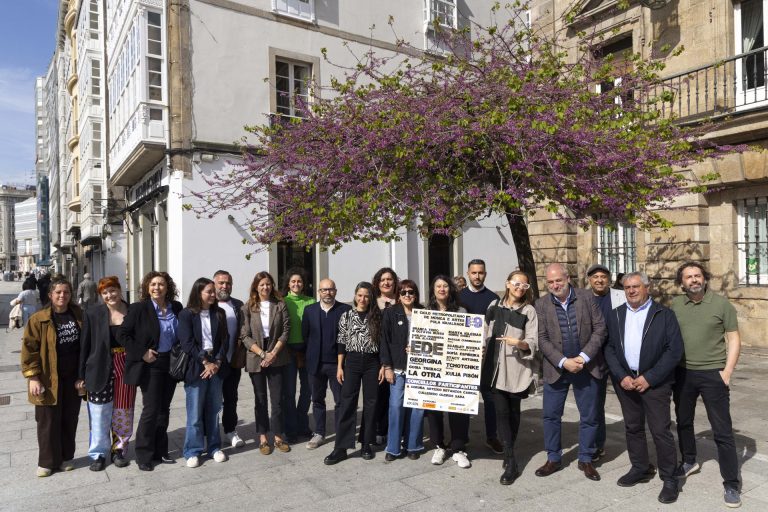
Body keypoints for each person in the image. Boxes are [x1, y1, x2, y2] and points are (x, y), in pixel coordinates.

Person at [603, 272, 683, 504]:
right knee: (633, 427)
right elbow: (609, 348)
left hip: (654, 384)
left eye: (636, 286)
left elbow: (674, 351)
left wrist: (650, 377)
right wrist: (621, 376)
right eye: (627, 287)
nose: (631, 291)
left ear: (647, 287)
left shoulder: (664, 314)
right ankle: (640, 468)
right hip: (626, 382)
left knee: (660, 430)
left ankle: (669, 478)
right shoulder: (616, 314)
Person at [670, 262, 742, 508]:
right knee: (684, 422)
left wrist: (727, 371)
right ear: (682, 282)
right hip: (683, 374)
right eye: (688, 277)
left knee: (722, 431)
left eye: (697, 275)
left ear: (705, 278)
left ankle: (731, 483)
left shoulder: (721, 305)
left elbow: (733, 338)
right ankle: (689, 460)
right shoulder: (676, 305)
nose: (693, 280)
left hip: (714, 374)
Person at [534, 263, 606, 481]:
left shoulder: (586, 297)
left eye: (559, 280)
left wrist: (583, 358)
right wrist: (564, 361)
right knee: (551, 415)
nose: (555, 284)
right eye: (551, 281)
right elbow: (542, 338)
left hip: (587, 366)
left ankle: (586, 458)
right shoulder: (541, 304)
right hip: (557, 369)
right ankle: (553, 458)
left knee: (590, 416)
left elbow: (600, 329)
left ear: (568, 278)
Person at [21, 275, 83, 477]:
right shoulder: (39, 319)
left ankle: (66, 458)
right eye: (58, 292)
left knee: (69, 418)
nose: (62, 295)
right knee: (47, 421)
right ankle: (47, 461)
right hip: (48, 378)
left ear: (71, 294)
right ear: (50, 295)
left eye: (66, 292)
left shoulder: (79, 315)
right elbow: (29, 349)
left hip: (72, 378)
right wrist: (33, 377)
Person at [121, 271, 183, 471]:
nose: (157, 288)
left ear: (168, 287)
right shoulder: (139, 309)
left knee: (164, 408)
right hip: (151, 364)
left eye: (161, 284)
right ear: (147, 287)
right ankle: (144, 454)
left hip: (170, 363)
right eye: (153, 284)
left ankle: (160, 451)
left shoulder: (176, 307)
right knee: (151, 409)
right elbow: (123, 335)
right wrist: (142, 353)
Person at [484, 270, 539, 485]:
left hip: (517, 370)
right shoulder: (493, 307)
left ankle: (509, 449)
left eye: (524, 286)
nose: (520, 288)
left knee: (514, 413)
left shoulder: (529, 311)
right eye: (516, 283)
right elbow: (484, 332)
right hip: (495, 369)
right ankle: (511, 460)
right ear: (508, 284)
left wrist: (521, 343)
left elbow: (533, 341)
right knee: (502, 412)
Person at [78, 276, 135, 471]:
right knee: (99, 412)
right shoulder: (93, 313)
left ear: (120, 290)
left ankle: (118, 450)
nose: (110, 295)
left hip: (126, 365)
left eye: (113, 290)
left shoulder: (132, 311)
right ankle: (99, 454)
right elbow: (84, 346)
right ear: (101, 295)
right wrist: (81, 375)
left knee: (123, 411)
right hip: (100, 366)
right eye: (105, 292)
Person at [323, 282, 383, 464]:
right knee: (347, 402)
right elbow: (341, 342)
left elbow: (383, 343)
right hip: (353, 361)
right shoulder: (346, 316)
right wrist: (340, 366)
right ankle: (341, 447)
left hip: (373, 362)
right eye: (360, 295)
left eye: (366, 296)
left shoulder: (377, 317)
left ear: (370, 297)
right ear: (355, 296)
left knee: (371, 402)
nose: (363, 299)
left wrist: (382, 365)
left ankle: (366, 443)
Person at [178, 277, 229, 468]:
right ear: (199, 292)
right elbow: (187, 342)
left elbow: (225, 340)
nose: (213, 294)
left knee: (214, 410)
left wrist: (216, 362)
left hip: (216, 367)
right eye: (209, 291)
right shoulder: (186, 314)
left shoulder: (220, 313)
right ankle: (192, 450)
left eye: (213, 291)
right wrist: (205, 362)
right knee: (194, 413)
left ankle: (214, 447)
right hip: (196, 368)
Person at [241, 271, 291, 454]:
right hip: (256, 358)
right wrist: (263, 354)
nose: (265, 287)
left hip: (277, 358)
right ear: (256, 286)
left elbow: (286, 330)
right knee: (260, 399)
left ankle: (278, 436)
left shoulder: (280, 305)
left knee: (277, 400)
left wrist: (273, 353)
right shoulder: (248, 307)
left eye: (268, 284)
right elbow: (244, 336)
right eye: (261, 284)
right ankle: (263, 438)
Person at [426, 275, 473, 468]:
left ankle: (458, 448)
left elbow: (469, 338)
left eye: (445, 285)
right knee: (433, 407)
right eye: (438, 286)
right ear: (433, 290)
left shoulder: (461, 311)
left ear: (451, 289)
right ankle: (439, 445)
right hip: (433, 366)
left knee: (458, 407)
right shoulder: (426, 311)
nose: (442, 289)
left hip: (456, 366)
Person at [459, 259, 503, 455]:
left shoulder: (494, 298)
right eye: (474, 273)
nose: (477, 276)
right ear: (468, 273)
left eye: (481, 273)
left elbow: (497, 327)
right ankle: (461, 437)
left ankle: (492, 436)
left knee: (489, 398)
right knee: (464, 397)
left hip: (487, 357)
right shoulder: (458, 297)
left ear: (485, 274)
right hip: (463, 356)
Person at [301, 278, 351, 450]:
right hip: (315, 364)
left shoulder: (345, 310)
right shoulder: (309, 311)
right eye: (324, 290)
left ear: (335, 291)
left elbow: (348, 338)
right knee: (317, 400)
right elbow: (305, 336)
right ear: (319, 292)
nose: (327, 293)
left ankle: (340, 433)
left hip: (337, 365)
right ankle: (319, 433)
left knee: (340, 400)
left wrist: (342, 364)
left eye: (330, 289)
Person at [585, 263, 626, 462]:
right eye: (595, 277)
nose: (599, 280)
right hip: (594, 358)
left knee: (629, 402)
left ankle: (637, 443)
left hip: (618, 357)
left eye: (603, 276)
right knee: (595, 404)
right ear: (589, 280)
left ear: (609, 279)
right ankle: (596, 445)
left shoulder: (621, 296)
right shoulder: (583, 298)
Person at [381, 279, 425, 461]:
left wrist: (419, 347)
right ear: (398, 295)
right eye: (403, 292)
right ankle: (393, 447)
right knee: (396, 406)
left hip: (420, 369)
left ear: (416, 294)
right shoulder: (391, 313)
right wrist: (387, 367)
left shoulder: (424, 313)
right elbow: (384, 341)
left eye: (411, 292)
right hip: (397, 368)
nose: (407, 295)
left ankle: (413, 445)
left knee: (417, 408)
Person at [281, 267, 315, 443]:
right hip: (288, 352)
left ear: (304, 284)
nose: (296, 284)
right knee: (289, 392)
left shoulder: (311, 301)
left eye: (299, 281)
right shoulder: (282, 301)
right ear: (288, 283)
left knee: (307, 390)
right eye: (293, 281)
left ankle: (303, 424)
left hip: (307, 351)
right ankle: (291, 428)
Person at [212, 270, 246, 449]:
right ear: (214, 284)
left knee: (231, 398)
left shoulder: (238, 305)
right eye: (221, 283)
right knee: (211, 401)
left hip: (233, 362)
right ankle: (209, 435)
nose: (225, 286)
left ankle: (230, 431)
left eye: (228, 283)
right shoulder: (208, 304)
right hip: (212, 364)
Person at [369, 267, 399, 445]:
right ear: (377, 284)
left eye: (389, 279)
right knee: (379, 395)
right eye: (382, 280)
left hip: (399, 356)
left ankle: (394, 429)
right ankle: (380, 429)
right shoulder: (374, 303)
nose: (386, 282)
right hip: (376, 356)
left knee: (395, 397)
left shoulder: (402, 300)